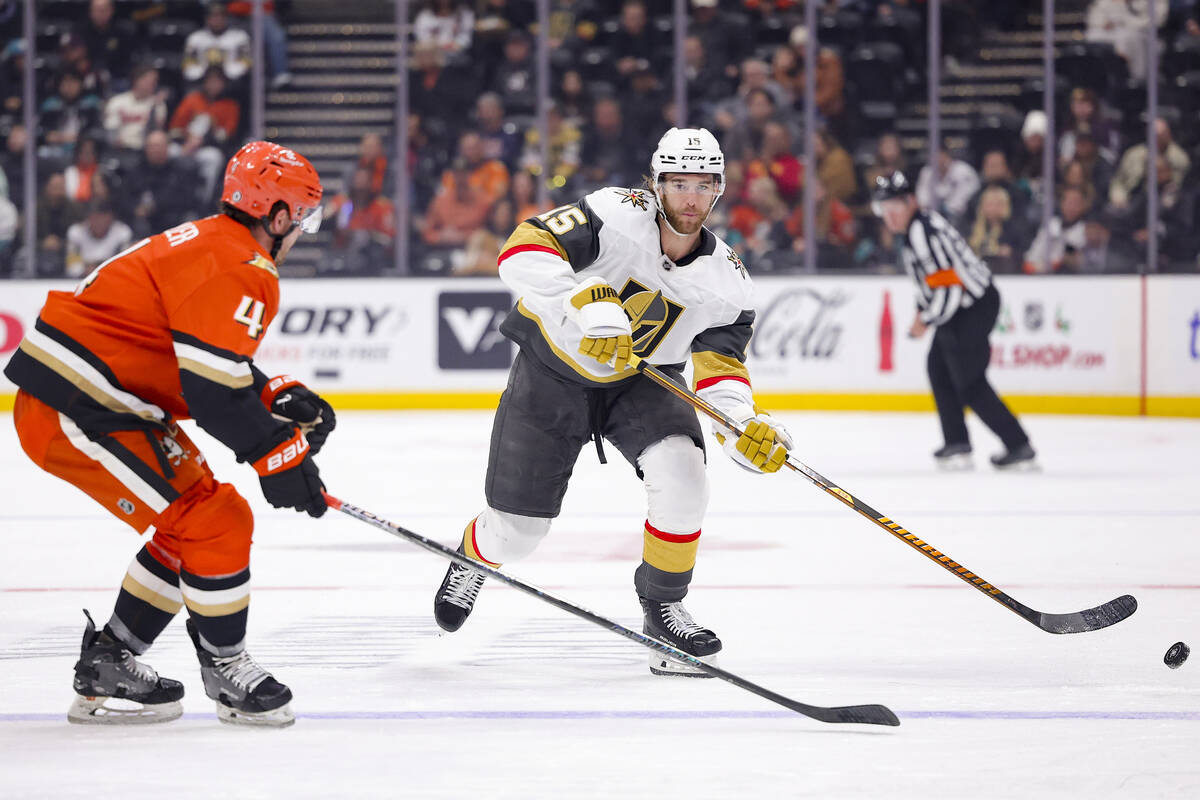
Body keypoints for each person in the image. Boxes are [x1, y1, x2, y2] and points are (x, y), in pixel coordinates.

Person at [431, 128, 793, 676]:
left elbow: (720, 368)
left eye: (702, 185)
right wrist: (584, 298)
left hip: (641, 381)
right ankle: (473, 555)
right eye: (677, 183)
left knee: (683, 472)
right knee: (518, 534)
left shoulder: (729, 284)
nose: (689, 198)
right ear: (656, 183)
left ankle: (664, 609)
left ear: (719, 188)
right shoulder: (615, 215)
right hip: (552, 373)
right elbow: (522, 248)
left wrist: (740, 423)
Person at [4, 141, 333, 727]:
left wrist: (275, 395)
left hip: (99, 400)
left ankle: (112, 661)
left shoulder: (211, 239)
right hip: (80, 409)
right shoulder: (244, 268)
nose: (302, 231)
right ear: (277, 215)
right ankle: (225, 667)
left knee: (196, 524)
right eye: (301, 218)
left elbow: (206, 361)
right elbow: (212, 394)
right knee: (215, 520)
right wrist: (281, 459)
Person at [872, 171, 1036, 471]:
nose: (889, 216)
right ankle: (957, 442)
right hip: (959, 307)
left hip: (971, 307)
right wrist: (925, 311)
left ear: (910, 202)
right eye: (883, 210)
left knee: (969, 380)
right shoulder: (916, 229)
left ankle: (1018, 444)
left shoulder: (923, 231)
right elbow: (934, 282)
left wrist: (927, 318)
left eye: (893, 207)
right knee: (939, 368)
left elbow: (949, 285)